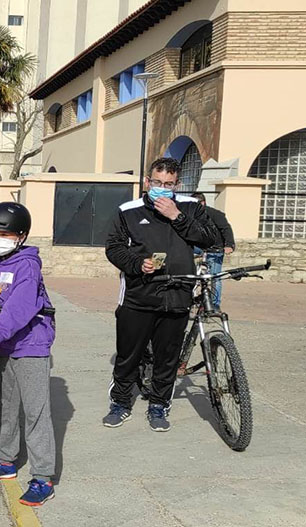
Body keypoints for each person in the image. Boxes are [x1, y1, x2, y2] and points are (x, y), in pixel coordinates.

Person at [103, 158, 216, 432]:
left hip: (178, 293)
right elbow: (114, 247)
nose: (162, 188)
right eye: (156, 183)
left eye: (168, 184)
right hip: (139, 294)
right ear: (147, 182)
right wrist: (136, 263)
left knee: (168, 356)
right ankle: (120, 402)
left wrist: (176, 216)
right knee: (129, 354)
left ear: (177, 184)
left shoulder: (190, 207)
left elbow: (209, 239)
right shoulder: (128, 210)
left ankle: (158, 405)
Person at [0, 202, 57, 507]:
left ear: (21, 236)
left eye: (5, 233)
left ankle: (43, 477)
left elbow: (18, 308)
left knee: (35, 411)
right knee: (5, 406)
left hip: (29, 346)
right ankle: (5, 460)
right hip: (0, 344)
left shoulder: (28, 266)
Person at [192, 192, 235, 310]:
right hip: (199, 246)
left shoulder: (215, 214)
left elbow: (226, 229)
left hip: (215, 248)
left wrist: (229, 245)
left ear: (203, 203)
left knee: (215, 276)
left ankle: (215, 303)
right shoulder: (191, 214)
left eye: (196, 203)